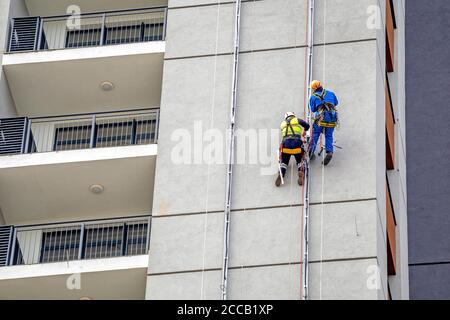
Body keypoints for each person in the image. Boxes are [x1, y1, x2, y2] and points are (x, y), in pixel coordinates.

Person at [276, 111, 310, 187]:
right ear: (293, 115)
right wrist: (305, 130)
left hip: (286, 145)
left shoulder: (282, 124)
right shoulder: (296, 120)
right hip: (297, 144)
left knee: (284, 162)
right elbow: (307, 126)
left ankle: (281, 173)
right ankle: (300, 171)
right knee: (299, 161)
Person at [309, 80, 339, 166]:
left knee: (315, 134)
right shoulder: (331, 93)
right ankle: (329, 152)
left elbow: (313, 109)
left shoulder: (313, 97)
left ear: (313, 89)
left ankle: (311, 152)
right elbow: (336, 103)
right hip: (331, 118)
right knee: (329, 135)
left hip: (321, 119)